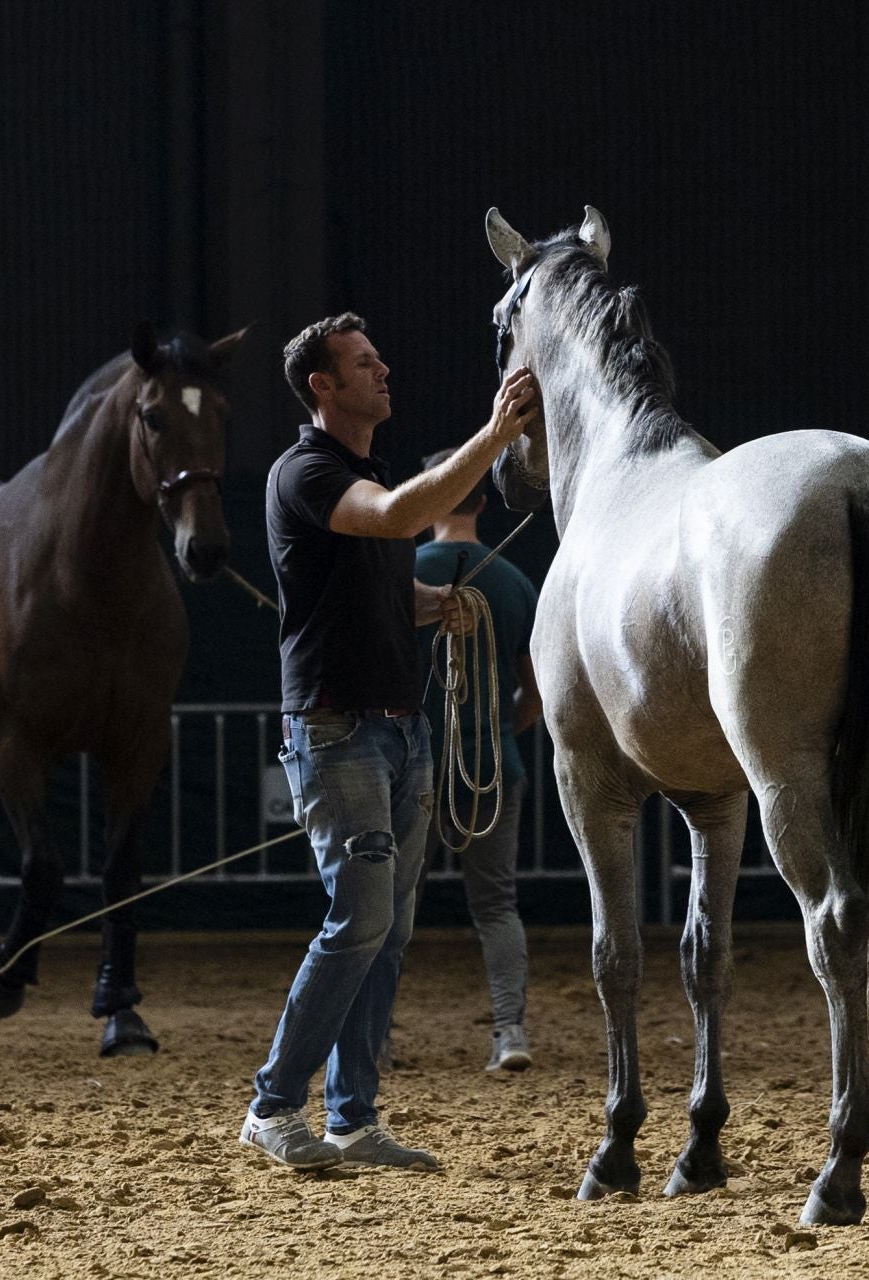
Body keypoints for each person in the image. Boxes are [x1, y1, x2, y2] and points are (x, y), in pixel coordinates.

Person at [238, 312, 541, 1172]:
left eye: (379, 357)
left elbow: (380, 584)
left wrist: (427, 605)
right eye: (363, 364)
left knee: (387, 931)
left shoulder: (355, 472)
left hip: (398, 730)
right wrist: (495, 434)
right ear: (321, 387)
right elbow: (404, 512)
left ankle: (353, 1118)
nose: (384, 370)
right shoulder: (308, 471)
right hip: (338, 730)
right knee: (361, 919)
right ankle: (271, 1106)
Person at [412, 448, 542, 1073]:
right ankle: (510, 1032)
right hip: (494, 767)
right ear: (483, 502)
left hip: (416, 770)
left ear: (430, 497)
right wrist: (499, 734)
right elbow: (533, 697)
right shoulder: (515, 581)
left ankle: (374, 1039)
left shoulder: (406, 574)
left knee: (390, 909)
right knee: (496, 904)